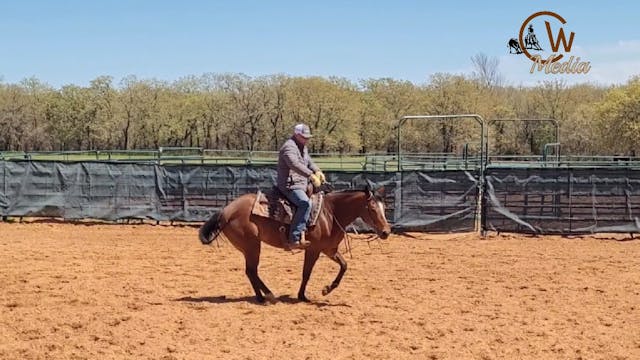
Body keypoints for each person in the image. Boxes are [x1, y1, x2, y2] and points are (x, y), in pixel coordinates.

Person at [277, 123, 325, 250]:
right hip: (290, 185)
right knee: (305, 203)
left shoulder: (302, 147)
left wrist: (317, 171)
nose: (307, 139)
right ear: (296, 135)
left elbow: (308, 161)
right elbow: (294, 164)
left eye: (308, 137)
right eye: (304, 137)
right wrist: (310, 175)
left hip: (301, 183)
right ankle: (294, 237)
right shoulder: (289, 147)